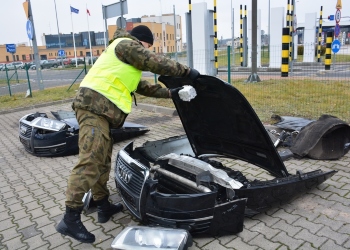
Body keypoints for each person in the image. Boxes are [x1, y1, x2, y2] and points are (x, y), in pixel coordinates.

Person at [55, 25, 200, 243]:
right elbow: (155, 62)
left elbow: (143, 87)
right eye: (148, 46)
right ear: (141, 41)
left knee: (102, 160)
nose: (148, 50)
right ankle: (70, 217)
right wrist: (187, 72)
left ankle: (103, 205)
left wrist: (172, 93)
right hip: (93, 108)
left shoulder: (124, 58)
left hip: (100, 111)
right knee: (90, 161)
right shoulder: (125, 45)